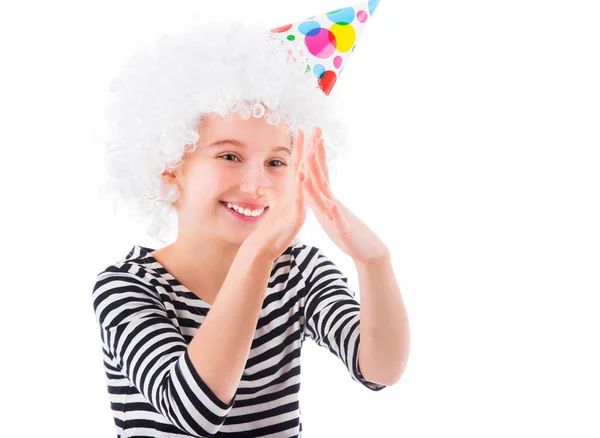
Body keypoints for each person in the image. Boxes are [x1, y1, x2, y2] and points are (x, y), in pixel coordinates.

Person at [93, 3, 409, 437]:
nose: (256, 183)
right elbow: (194, 411)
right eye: (229, 156)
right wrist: (260, 251)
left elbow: (380, 368)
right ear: (168, 164)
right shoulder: (127, 287)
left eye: (277, 162)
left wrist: (374, 261)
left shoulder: (298, 273)